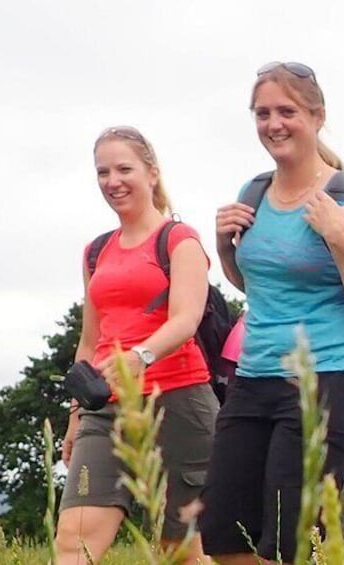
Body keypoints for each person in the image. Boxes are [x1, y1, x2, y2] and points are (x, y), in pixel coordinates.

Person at [199, 62, 344, 565]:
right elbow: (255, 283)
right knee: (224, 537)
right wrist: (225, 248)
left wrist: (338, 236)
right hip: (253, 377)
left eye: (287, 111)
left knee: (285, 546)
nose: (274, 124)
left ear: (316, 116)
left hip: (328, 379)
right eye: (262, 113)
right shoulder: (253, 193)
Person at [56, 126, 217, 564]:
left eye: (124, 168)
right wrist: (75, 416)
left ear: (151, 173)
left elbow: (186, 319)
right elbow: (90, 341)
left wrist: (139, 356)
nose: (113, 181)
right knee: (74, 537)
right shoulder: (96, 252)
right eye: (103, 172)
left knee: (179, 549)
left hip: (180, 402)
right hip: (105, 409)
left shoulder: (179, 240)